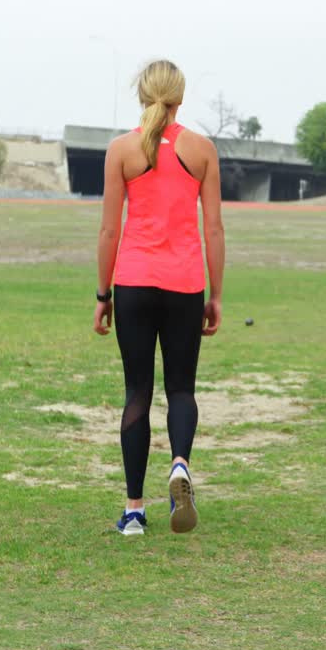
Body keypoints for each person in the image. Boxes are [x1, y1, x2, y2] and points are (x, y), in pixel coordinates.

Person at [93, 59, 225, 536]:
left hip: (133, 283)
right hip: (185, 284)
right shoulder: (202, 150)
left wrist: (103, 294)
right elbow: (214, 229)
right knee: (181, 390)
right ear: (180, 98)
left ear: (141, 96)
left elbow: (110, 230)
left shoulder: (121, 150)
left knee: (137, 393)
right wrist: (216, 295)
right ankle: (180, 464)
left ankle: (133, 511)